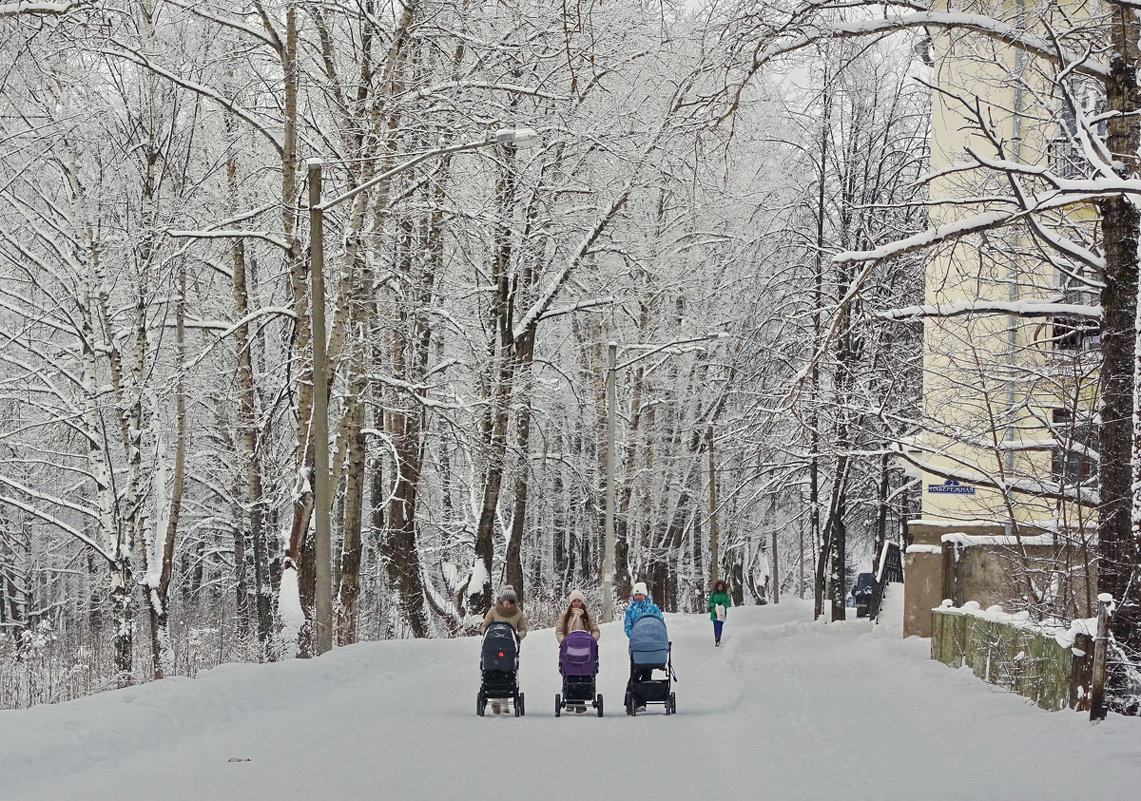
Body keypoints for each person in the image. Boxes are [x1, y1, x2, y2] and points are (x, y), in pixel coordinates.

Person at [480, 585, 527, 714]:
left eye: (512, 602)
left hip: (509, 647)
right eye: (507, 601)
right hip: (492, 646)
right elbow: (483, 627)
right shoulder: (493, 611)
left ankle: (505, 700)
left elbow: (523, 629)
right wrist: (489, 634)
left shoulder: (518, 613)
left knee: (507, 672)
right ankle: (495, 701)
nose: (509, 605)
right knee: (493, 671)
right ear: (502, 600)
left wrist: (518, 636)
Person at [624, 581, 664, 706]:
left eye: (640, 594)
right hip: (636, 646)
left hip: (651, 646)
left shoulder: (653, 608)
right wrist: (634, 637)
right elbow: (627, 626)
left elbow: (659, 623)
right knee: (635, 674)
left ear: (645, 595)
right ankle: (631, 700)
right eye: (636, 595)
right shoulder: (630, 610)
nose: (638, 597)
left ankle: (642, 702)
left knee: (647, 674)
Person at [708, 579, 732, 646]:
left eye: (721, 586)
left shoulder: (725, 594)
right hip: (714, 612)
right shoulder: (714, 593)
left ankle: (719, 638)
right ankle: (716, 638)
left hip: (722, 612)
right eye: (719, 586)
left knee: (720, 625)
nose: (720, 588)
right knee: (715, 626)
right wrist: (714, 605)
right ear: (717, 587)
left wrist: (722, 604)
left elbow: (727, 603)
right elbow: (710, 602)